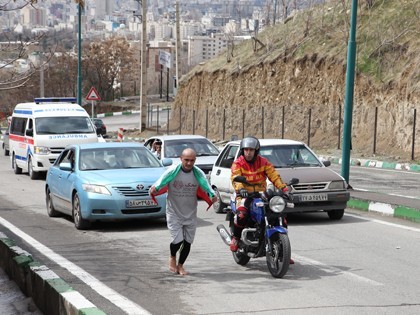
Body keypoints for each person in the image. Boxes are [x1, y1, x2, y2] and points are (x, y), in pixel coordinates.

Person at [149, 148, 217, 276]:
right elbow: (159, 183)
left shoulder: (198, 174)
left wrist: (213, 196)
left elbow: (207, 188)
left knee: (188, 242)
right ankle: (172, 256)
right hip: (174, 211)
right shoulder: (172, 172)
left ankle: (180, 266)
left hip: (190, 212)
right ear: (181, 159)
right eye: (186, 160)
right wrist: (154, 189)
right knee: (177, 240)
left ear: (195, 160)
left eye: (192, 160)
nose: (189, 163)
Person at [229, 136, 294, 263]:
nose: (248, 152)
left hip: (260, 194)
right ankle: (236, 238)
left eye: (251, 150)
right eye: (246, 150)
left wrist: (284, 189)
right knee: (242, 214)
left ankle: (283, 251)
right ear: (242, 151)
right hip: (244, 194)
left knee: (280, 217)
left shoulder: (263, 162)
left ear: (256, 151)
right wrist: (241, 188)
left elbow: (274, 176)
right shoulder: (238, 163)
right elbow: (235, 177)